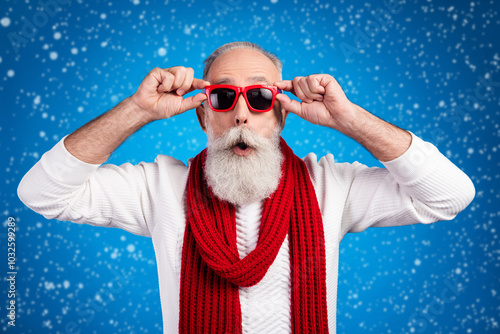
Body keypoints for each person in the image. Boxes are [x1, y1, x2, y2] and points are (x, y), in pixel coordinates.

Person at [18, 41, 475, 333]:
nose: (241, 114)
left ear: (281, 115)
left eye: (259, 98)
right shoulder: (159, 188)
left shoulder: (330, 186)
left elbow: (451, 195)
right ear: (202, 113)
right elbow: (40, 193)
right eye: (223, 97)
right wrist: (137, 109)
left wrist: (349, 119)